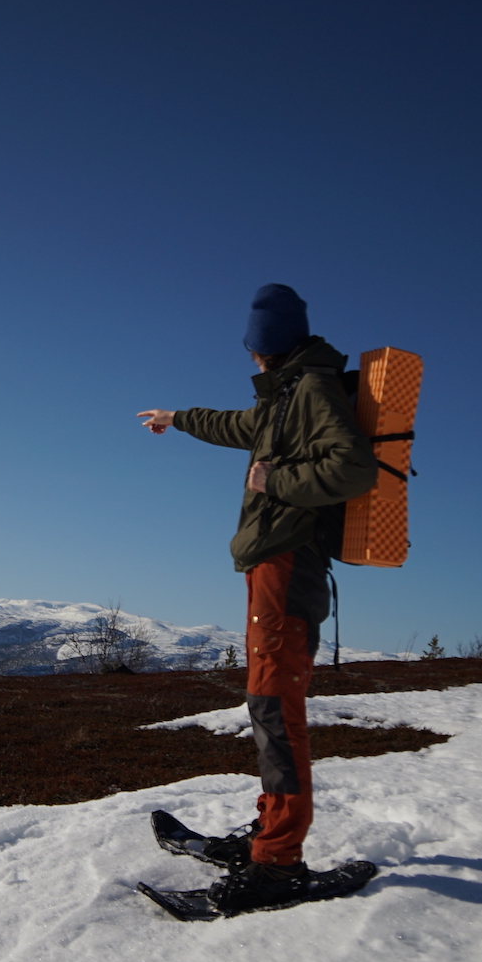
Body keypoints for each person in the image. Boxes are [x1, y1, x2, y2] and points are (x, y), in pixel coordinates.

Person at [137, 283, 379, 912]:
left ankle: (279, 864)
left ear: (260, 346)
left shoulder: (312, 391)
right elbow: (233, 425)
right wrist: (177, 418)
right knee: (265, 700)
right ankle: (269, 833)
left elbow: (353, 468)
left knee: (274, 704)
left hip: (289, 563)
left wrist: (275, 476)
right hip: (270, 563)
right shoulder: (283, 399)